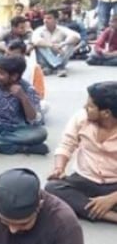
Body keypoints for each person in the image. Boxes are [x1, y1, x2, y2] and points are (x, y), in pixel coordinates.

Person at [45, 81, 117, 224]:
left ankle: (89, 208)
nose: (85, 107)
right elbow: (66, 144)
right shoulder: (81, 118)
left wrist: (111, 198)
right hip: (85, 179)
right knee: (51, 188)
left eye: (90, 106)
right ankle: (108, 215)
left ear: (106, 113)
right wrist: (59, 168)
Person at [0, 56, 48, 155]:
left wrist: (23, 97)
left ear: (14, 76)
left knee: (41, 133)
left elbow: (33, 119)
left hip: (16, 129)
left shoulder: (27, 89)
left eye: (1, 73)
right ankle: (21, 148)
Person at [32, 10, 80, 77]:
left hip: (60, 57)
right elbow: (35, 41)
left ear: (56, 20)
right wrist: (51, 45)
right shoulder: (39, 30)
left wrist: (62, 44)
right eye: (44, 18)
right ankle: (57, 66)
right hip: (44, 61)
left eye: (49, 18)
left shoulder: (62, 29)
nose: (45, 20)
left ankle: (55, 67)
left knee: (70, 43)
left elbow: (76, 36)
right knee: (40, 44)